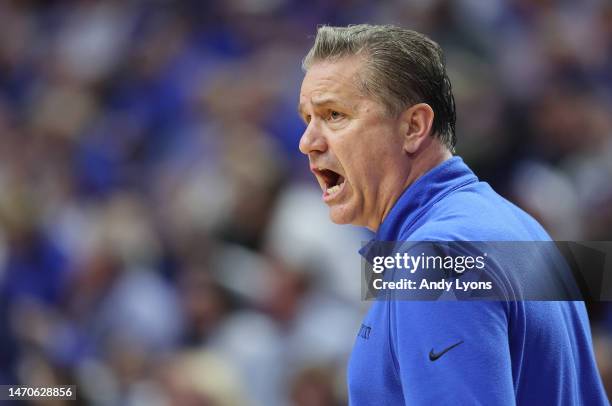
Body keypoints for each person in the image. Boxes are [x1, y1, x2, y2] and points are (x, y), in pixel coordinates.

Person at [297, 24, 609, 405]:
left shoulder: (434, 258)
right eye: (306, 119)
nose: (307, 142)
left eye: (334, 115)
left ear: (413, 127)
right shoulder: (516, 225)